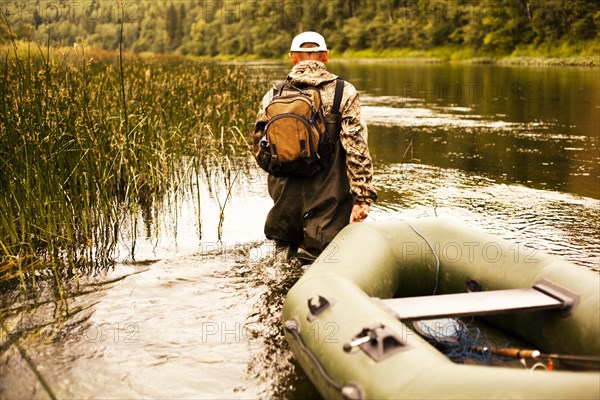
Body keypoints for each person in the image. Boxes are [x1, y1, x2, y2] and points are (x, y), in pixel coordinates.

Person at [253, 31, 377, 263]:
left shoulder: (272, 94)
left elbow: (260, 150)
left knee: (281, 262)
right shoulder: (343, 92)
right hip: (329, 197)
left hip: (284, 199)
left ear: (292, 58)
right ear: (325, 56)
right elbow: (357, 148)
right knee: (324, 261)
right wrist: (362, 199)